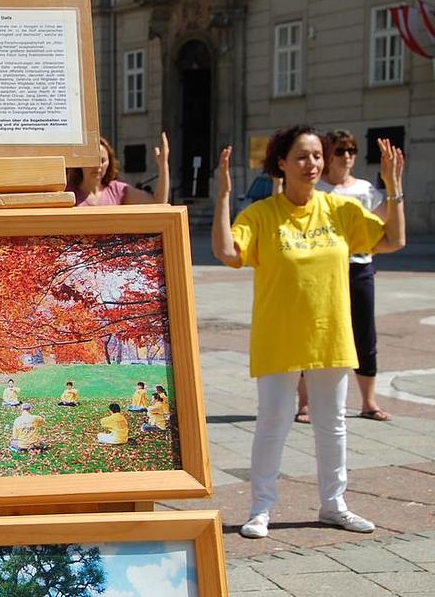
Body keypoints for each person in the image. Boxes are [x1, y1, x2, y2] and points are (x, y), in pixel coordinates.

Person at [212, 125, 405, 540]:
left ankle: (334, 505)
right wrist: (224, 195)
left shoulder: (339, 210)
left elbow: (393, 239)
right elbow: (228, 252)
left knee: (332, 423)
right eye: (302, 156)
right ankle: (261, 509)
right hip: (279, 335)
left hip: (329, 334)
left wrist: (394, 188)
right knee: (273, 422)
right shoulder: (262, 214)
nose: (312, 163)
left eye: (318, 155)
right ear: (281, 163)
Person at [295, 129, 391, 423]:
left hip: (359, 266)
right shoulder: (318, 190)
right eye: (340, 151)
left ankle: (368, 402)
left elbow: (383, 224)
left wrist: (392, 183)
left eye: (352, 151)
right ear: (328, 156)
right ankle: (305, 403)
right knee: (313, 333)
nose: (347, 156)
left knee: (364, 333)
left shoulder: (364, 188)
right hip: (322, 270)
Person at [66, 133, 170, 206]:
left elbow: (158, 202)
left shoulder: (117, 190)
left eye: (102, 161)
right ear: (80, 162)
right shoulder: (67, 193)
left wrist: (163, 164)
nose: (98, 166)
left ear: (109, 163)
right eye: (92, 160)